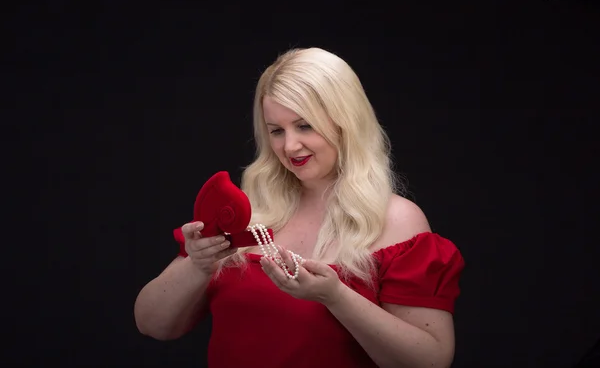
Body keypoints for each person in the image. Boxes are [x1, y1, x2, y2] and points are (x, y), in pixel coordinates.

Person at [134, 47, 465, 368]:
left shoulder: (396, 220)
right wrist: (198, 263)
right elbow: (153, 324)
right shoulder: (247, 213)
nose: (289, 146)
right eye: (276, 131)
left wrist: (334, 296)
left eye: (304, 125)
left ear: (345, 122)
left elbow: (429, 359)